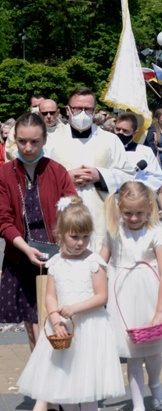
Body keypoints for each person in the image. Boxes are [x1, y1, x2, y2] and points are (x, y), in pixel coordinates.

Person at [18, 197, 124, 411]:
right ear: (60, 234)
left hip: (89, 327)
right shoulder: (55, 263)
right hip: (63, 328)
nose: (80, 243)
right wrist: (55, 319)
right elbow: (50, 296)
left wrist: (75, 308)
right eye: (74, 237)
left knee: (88, 383)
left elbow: (101, 296)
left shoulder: (94, 262)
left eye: (85, 237)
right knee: (64, 380)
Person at [101, 181, 162, 411]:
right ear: (119, 209)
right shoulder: (113, 231)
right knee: (133, 355)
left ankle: (156, 383)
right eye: (128, 213)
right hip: (124, 297)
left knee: (153, 351)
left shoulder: (155, 232)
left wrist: (160, 310)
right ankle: (138, 404)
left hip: (151, 295)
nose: (133, 218)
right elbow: (101, 262)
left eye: (139, 212)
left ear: (149, 208)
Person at [0, 113, 77, 353]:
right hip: (21, 254)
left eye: (34, 141)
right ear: (15, 139)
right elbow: (3, 220)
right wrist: (25, 248)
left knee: (56, 319)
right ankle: (40, 380)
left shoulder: (57, 171)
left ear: (44, 140)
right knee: (33, 324)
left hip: (56, 256)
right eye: (22, 141)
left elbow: (74, 211)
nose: (28, 147)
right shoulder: (4, 173)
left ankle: (59, 376)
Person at [45, 86, 135, 251]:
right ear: (67, 110)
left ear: (95, 112)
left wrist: (100, 175)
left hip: (102, 218)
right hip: (64, 217)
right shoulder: (51, 141)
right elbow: (40, 179)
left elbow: (128, 176)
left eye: (88, 109)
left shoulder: (110, 140)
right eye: (78, 108)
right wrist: (65, 179)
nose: (83, 113)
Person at [115, 112, 162, 192]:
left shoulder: (145, 151)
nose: (120, 133)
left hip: (137, 197)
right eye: (117, 129)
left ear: (135, 133)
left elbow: (156, 177)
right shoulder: (107, 149)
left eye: (125, 131)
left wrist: (137, 188)